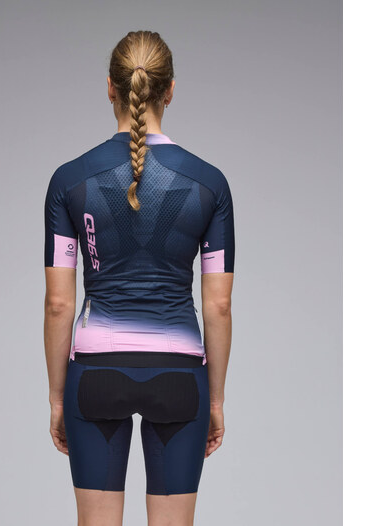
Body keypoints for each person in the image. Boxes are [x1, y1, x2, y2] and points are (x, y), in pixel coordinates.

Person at [42, 30, 235, 526]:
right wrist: (215, 401)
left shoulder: (68, 181)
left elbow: (59, 304)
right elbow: (218, 306)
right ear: (170, 90)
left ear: (110, 87)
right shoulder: (210, 184)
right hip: (180, 376)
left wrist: (58, 398)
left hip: (94, 373)